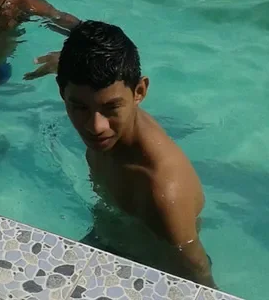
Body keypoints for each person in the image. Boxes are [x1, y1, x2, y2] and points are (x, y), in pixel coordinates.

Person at [55, 20, 217, 288]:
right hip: (108, 238)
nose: (96, 126)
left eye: (111, 108)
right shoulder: (106, 117)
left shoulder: (161, 189)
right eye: (80, 107)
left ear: (139, 92)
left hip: (147, 268)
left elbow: (199, 275)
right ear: (62, 93)